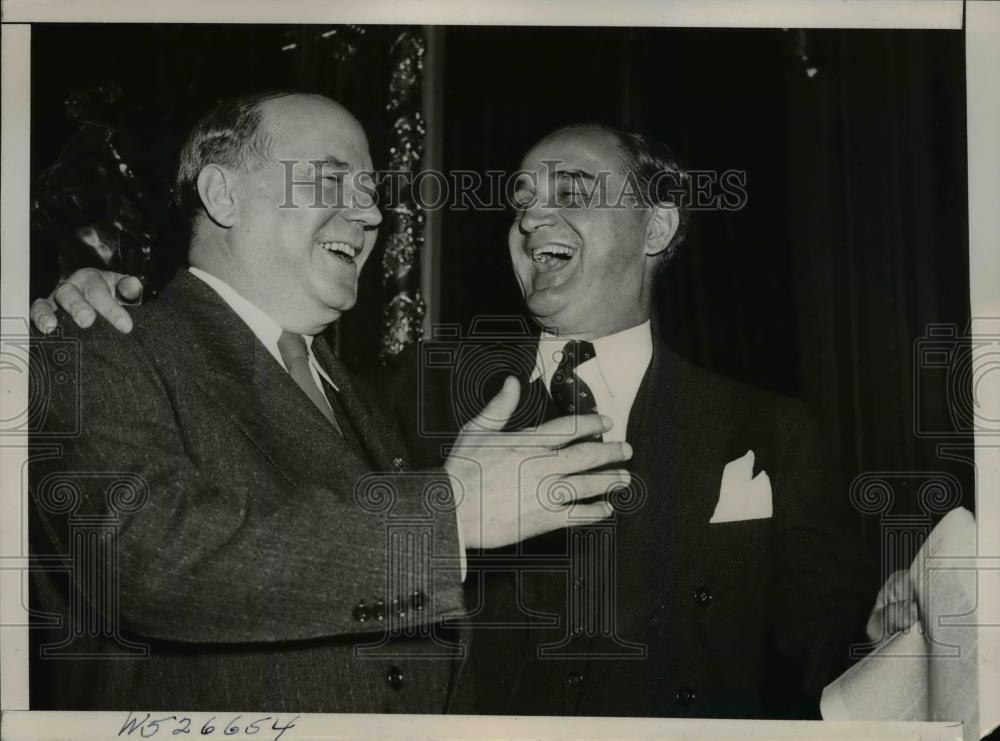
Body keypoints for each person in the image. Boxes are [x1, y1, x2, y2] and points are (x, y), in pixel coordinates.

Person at [33, 123, 911, 719]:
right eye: (522, 200)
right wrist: (102, 295)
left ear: (659, 225)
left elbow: (824, 636)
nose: (532, 216)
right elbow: (253, 428)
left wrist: (882, 636)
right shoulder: (409, 393)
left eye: (571, 190)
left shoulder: (770, 426)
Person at [26, 93, 631, 713]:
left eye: (370, 191)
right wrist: (444, 520)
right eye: (331, 180)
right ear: (223, 195)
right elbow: (147, 561)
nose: (370, 213)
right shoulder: (93, 342)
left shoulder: (367, 397)